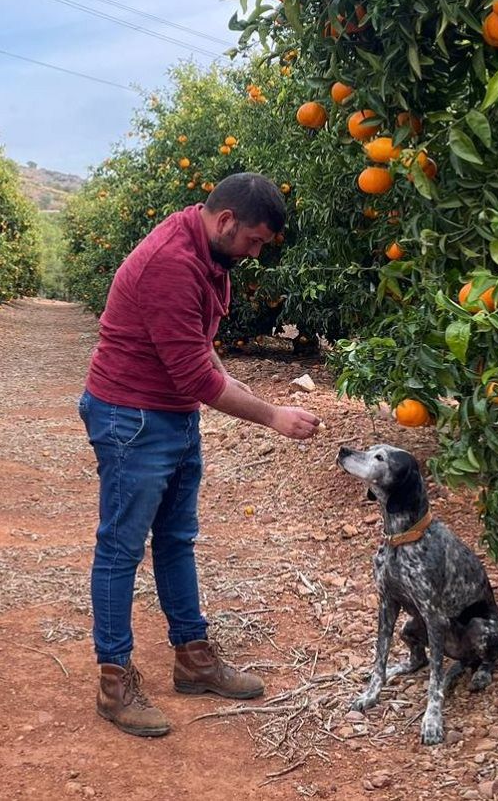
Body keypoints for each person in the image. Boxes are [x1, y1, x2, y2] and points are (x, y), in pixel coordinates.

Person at [78, 172, 322, 737]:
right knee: (120, 548)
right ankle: (114, 684)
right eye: (254, 242)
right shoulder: (172, 262)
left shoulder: (208, 254)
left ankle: (193, 658)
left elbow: (198, 353)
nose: (256, 254)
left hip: (172, 414)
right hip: (131, 417)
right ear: (226, 221)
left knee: (176, 539)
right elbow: (195, 373)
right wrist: (272, 416)